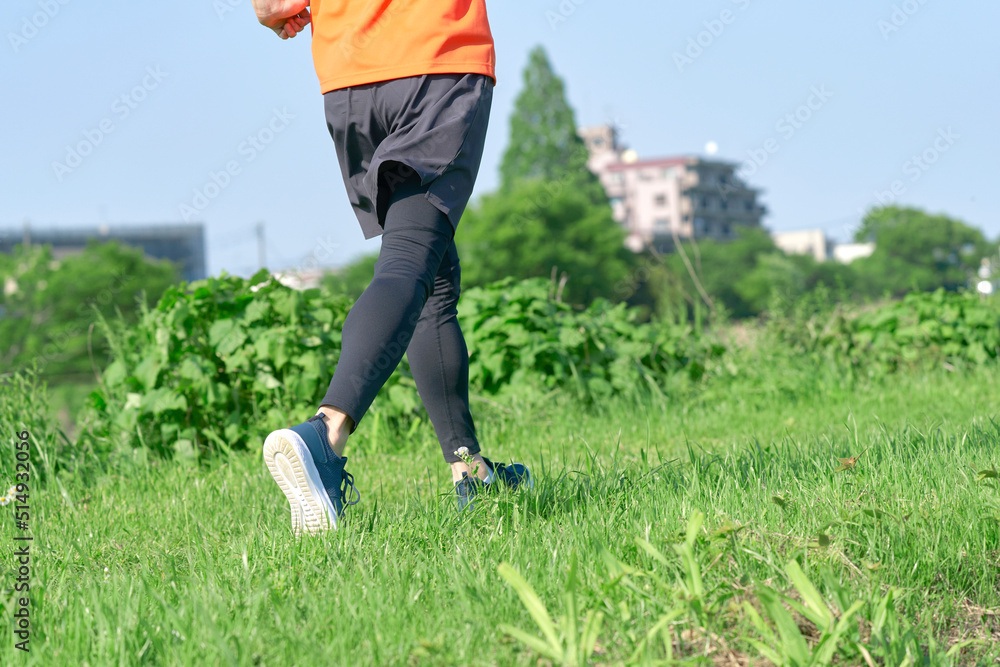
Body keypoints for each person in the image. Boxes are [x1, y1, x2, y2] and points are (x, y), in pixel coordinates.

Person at [251, 0, 531, 534]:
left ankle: (470, 469)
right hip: (436, 60)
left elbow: (273, 5)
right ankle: (325, 433)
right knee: (408, 258)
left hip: (351, 81)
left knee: (431, 271)